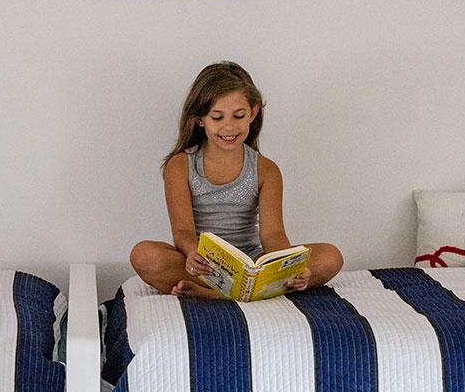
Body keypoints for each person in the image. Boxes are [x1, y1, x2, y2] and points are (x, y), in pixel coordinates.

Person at [129, 61, 344, 298]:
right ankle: (239, 293)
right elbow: (182, 231)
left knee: (330, 257)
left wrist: (289, 267)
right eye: (217, 117)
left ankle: (216, 294)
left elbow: (273, 235)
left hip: (252, 261)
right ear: (200, 119)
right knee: (144, 255)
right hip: (204, 265)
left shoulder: (266, 170)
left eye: (238, 115)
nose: (229, 127)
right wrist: (192, 254)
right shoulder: (180, 165)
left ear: (252, 113)